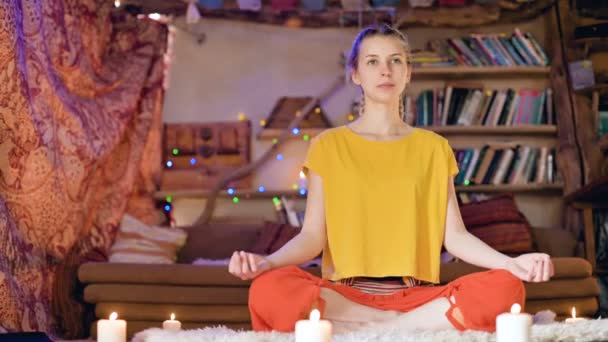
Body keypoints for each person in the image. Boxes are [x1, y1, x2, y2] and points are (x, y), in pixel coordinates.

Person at [228, 23, 554, 334]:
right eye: (373, 61)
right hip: (346, 297)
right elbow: (313, 236)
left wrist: (512, 264)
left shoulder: (433, 148)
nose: (385, 70)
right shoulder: (328, 144)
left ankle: (378, 327)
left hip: (418, 297)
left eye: (395, 61)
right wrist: (267, 263)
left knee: (505, 287)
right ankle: (400, 327)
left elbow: (454, 237)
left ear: (407, 73)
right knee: (268, 289)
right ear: (356, 74)